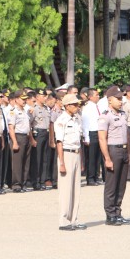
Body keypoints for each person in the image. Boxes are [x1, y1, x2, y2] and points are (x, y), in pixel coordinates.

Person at [98, 86, 130, 226]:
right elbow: (102, 139)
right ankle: (110, 215)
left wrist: (129, 153)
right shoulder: (105, 116)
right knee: (111, 185)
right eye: (118, 99)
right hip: (113, 151)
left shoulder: (123, 114)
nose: (120, 101)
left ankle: (118, 212)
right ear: (109, 100)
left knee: (121, 184)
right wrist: (107, 158)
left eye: (121, 99)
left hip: (124, 150)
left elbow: (127, 136)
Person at [54, 94, 87, 231]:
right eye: (74, 105)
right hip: (66, 154)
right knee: (66, 190)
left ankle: (74, 219)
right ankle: (63, 221)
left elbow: (79, 141)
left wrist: (82, 160)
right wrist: (61, 163)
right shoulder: (61, 120)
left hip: (76, 153)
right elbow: (59, 143)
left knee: (76, 189)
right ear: (67, 106)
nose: (77, 107)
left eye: (77, 104)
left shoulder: (77, 119)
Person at [8, 90, 33, 193]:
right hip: (18, 137)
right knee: (17, 163)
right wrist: (14, 142)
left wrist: (31, 139)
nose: (24, 101)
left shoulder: (25, 111)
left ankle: (23, 183)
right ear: (16, 99)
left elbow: (29, 127)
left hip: (26, 137)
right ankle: (16, 185)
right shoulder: (13, 112)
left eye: (25, 99)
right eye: (22, 99)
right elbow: (11, 128)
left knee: (26, 162)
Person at [81, 88, 103, 186]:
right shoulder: (87, 108)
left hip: (98, 132)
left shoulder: (97, 106)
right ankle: (90, 178)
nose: (98, 96)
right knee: (91, 157)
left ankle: (96, 176)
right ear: (90, 97)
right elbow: (85, 123)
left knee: (97, 157)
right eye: (96, 95)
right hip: (91, 133)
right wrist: (86, 137)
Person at [31, 88, 50, 191]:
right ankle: (36, 182)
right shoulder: (33, 109)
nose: (45, 98)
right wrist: (32, 139)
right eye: (43, 96)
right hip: (37, 133)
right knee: (37, 159)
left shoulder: (46, 109)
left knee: (44, 158)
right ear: (37, 97)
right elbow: (29, 123)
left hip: (46, 133)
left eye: (46, 96)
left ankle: (42, 181)